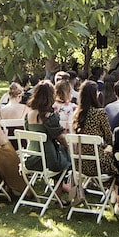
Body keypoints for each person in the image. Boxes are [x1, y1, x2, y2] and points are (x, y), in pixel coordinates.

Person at [25, 80, 81, 208]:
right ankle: (61, 196)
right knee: (66, 161)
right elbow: (60, 137)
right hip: (47, 160)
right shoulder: (49, 116)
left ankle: (32, 192)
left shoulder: (29, 114)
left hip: (30, 157)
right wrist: (70, 148)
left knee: (62, 158)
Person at [75, 79, 119, 198]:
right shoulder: (99, 113)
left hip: (79, 163)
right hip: (97, 163)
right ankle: (117, 198)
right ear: (94, 95)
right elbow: (109, 137)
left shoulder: (77, 114)